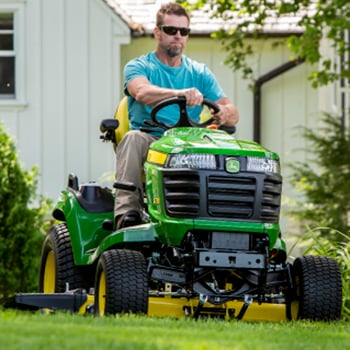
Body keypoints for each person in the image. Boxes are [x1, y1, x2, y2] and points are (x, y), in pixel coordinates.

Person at [115, 2, 239, 229]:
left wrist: (224, 113)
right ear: (157, 33)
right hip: (152, 140)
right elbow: (141, 92)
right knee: (133, 138)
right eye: (171, 30)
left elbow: (232, 113)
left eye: (184, 31)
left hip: (191, 144)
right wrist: (179, 93)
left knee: (229, 148)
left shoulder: (199, 73)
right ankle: (126, 214)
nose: (178, 36)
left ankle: (227, 216)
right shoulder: (139, 66)